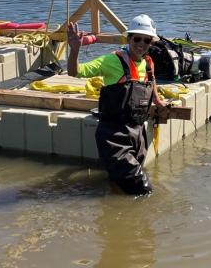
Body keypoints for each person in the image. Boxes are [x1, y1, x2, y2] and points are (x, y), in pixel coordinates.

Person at [67, 14, 167, 195]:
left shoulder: (148, 63)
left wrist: (158, 101)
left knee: (121, 184)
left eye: (147, 40)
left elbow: (150, 82)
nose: (141, 44)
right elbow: (75, 72)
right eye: (137, 38)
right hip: (114, 136)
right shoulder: (112, 61)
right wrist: (75, 50)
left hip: (137, 135)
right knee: (143, 190)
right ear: (128, 38)